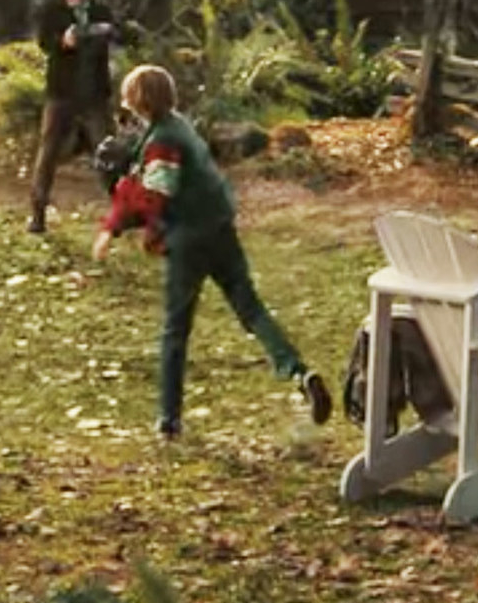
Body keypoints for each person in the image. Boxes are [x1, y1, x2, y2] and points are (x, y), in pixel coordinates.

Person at [93, 62, 333, 439]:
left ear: (140, 100)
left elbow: (155, 196)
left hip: (189, 239)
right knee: (250, 309)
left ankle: (168, 420)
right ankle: (299, 372)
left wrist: (114, 221)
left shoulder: (162, 142)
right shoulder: (179, 126)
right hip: (221, 229)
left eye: (128, 97)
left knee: (176, 328)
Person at [27, 0, 121, 234]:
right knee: (48, 151)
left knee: (108, 152)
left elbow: (120, 37)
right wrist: (64, 41)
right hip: (61, 93)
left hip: (95, 94)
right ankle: (37, 213)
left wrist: (108, 32)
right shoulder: (53, 12)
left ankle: (122, 211)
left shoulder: (102, 12)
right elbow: (44, 43)